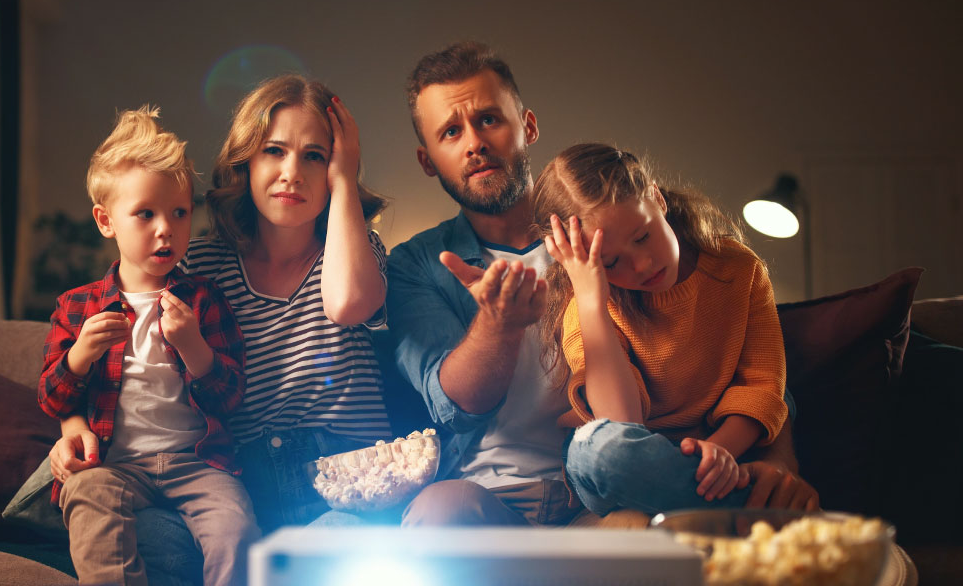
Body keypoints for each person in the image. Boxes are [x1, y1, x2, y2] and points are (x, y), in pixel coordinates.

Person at [388, 41, 818, 528]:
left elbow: (741, 361)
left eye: (489, 119)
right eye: (450, 132)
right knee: (437, 516)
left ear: (527, 126)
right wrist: (498, 322)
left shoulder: (612, 241)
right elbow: (456, 406)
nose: (475, 143)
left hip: (602, 495)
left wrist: (779, 462)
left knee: (628, 516)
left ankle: (741, 519)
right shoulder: (418, 265)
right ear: (428, 161)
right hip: (490, 492)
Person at [38, 106, 259, 586]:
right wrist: (79, 356)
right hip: (117, 465)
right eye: (146, 213)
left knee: (236, 529)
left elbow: (231, 396)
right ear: (105, 221)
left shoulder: (203, 299)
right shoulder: (77, 308)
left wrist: (194, 346)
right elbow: (52, 398)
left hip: (197, 463)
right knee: (87, 497)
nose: (167, 228)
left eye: (180, 212)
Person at [534, 142, 808, 516]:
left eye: (643, 236)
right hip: (630, 461)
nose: (643, 264)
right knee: (599, 449)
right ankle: (747, 507)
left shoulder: (738, 269)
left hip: (716, 445)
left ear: (657, 199)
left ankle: (714, 499)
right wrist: (591, 298)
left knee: (785, 397)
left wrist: (719, 452)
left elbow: (763, 386)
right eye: (612, 261)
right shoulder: (585, 307)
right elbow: (622, 422)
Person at [179, 74, 394, 533]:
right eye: (274, 151)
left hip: (353, 483)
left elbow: (349, 304)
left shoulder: (358, 249)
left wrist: (345, 178)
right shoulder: (201, 265)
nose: (292, 173)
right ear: (246, 163)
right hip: (242, 484)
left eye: (314, 156)